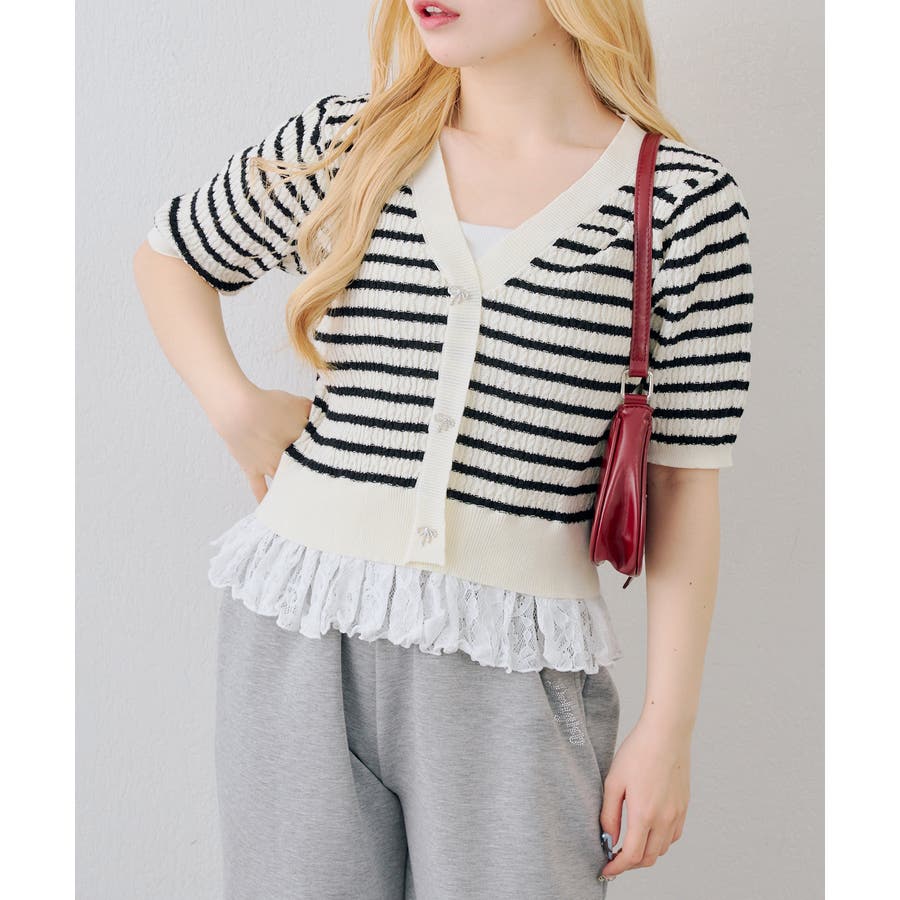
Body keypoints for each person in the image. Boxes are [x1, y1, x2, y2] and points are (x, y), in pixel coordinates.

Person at [132, 1, 754, 897]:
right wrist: (235, 407)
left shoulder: (684, 204)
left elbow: (685, 482)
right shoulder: (354, 143)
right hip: (297, 637)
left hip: (513, 669)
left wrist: (669, 729)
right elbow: (172, 254)